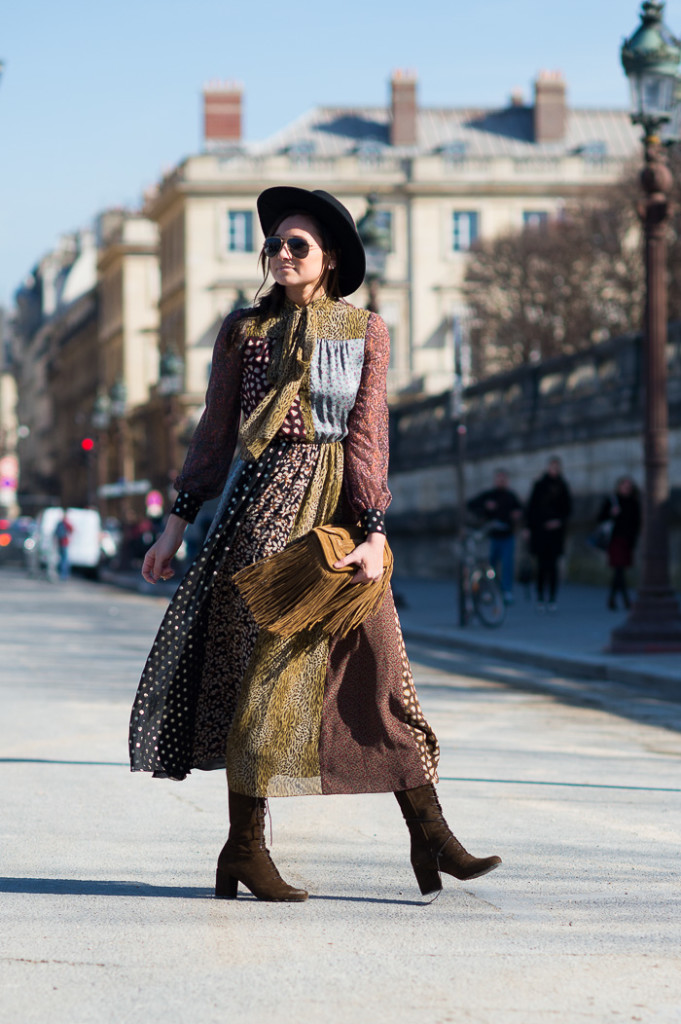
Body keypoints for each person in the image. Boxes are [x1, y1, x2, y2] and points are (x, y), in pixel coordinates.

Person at [129, 186, 501, 902]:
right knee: (263, 673)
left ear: (329, 258)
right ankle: (243, 848)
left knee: (382, 671)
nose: (282, 254)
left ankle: (431, 836)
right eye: (273, 245)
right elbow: (213, 433)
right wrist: (175, 523)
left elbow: (368, 434)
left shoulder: (365, 329)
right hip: (265, 506)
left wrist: (373, 532)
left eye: (297, 245)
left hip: (341, 517)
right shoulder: (244, 331)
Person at [468, 469, 523, 603]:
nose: (501, 481)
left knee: (507, 565)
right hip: (491, 537)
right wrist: (485, 507)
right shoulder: (489, 495)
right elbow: (471, 505)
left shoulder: (511, 496)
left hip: (507, 536)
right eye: (499, 479)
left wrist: (517, 515)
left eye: (503, 479)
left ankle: (506, 591)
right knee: (489, 566)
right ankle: (488, 590)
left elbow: (521, 510)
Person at [525, 457, 572, 612]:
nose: (554, 470)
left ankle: (552, 598)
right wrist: (529, 528)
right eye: (552, 467)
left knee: (553, 567)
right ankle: (540, 596)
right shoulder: (539, 485)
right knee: (541, 566)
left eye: (556, 467)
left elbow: (567, 510)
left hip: (556, 533)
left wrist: (558, 522)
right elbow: (531, 509)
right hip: (540, 531)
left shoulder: (563, 486)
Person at [597, 477, 641, 610]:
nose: (626, 488)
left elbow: (637, 523)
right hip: (615, 539)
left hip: (627, 540)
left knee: (619, 570)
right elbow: (600, 518)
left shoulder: (634, 502)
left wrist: (633, 540)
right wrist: (611, 513)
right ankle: (626, 600)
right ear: (619, 486)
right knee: (619, 569)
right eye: (624, 486)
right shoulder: (612, 501)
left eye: (629, 486)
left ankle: (612, 599)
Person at [54, 511, 73, 581]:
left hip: (60, 542)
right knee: (65, 559)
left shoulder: (59, 523)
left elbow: (55, 532)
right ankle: (64, 574)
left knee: (61, 558)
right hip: (65, 543)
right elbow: (72, 529)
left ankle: (61, 574)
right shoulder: (66, 523)